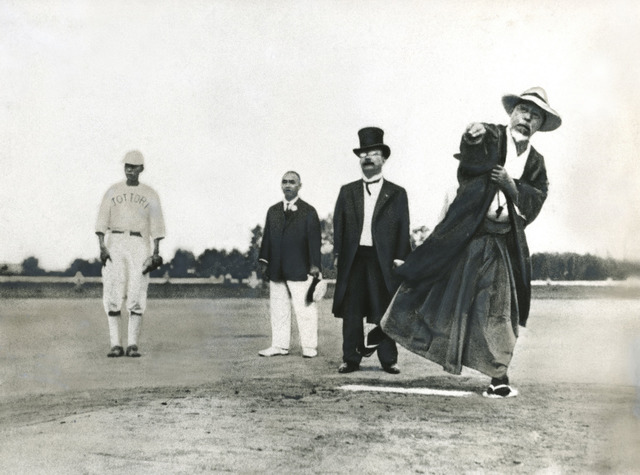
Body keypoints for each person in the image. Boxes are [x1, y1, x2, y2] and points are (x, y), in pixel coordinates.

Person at [380, 87, 562, 397]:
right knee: (433, 286)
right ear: (512, 113)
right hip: (468, 237)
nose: (527, 118)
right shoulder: (494, 137)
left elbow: (536, 199)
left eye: (535, 116)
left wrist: (510, 185)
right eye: (523, 111)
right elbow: (475, 146)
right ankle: (384, 329)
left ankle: (499, 377)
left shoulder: (536, 162)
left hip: (502, 246)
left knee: (498, 310)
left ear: (540, 125)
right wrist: (472, 134)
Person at [332, 127, 411, 374]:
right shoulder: (347, 191)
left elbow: (403, 227)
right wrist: (338, 255)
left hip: (383, 260)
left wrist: (400, 258)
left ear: (383, 158)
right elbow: (339, 225)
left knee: (384, 309)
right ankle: (350, 358)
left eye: (374, 152)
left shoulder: (397, 193)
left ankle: (388, 359)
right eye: (364, 153)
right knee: (352, 310)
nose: (368, 158)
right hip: (354, 259)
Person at [95, 150, 166, 358]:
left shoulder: (150, 193)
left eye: (134, 167)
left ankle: (133, 344)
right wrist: (102, 246)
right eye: (127, 166)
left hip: (139, 242)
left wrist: (156, 252)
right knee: (113, 291)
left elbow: (157, 224)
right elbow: (101, 222)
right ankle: (116, 344)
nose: (130, 170)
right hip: (115, 241)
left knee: (137, 290)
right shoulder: (113, 191)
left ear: (141, 169)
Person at [258, 171, 322, 358]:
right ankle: (279, 345)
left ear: (299, 186)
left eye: (292, 182)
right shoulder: (273, 211)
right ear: (281, 185)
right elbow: (267, 238)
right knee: (278, 309)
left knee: (305, 308)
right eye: (284, 182)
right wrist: (264, 261)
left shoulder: (308, 211)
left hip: (300, 268)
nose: (288, 185)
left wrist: (315, 264)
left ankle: (309, 347)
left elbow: (314, 240)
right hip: (276, 268)